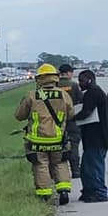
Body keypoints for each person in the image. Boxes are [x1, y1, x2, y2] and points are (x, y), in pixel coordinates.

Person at [15, 64, 73, 203]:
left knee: (40, 165)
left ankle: (44, 194)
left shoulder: (32, 96)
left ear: (39, 79)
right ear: (55, 77)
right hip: (58, 139)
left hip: (37, 141)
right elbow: (71, 114)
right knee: (60, 163)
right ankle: (63, 190)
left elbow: (19, 116)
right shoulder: (63, 95)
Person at [75, 69, 108, 202]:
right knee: (87, 167)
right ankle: (89, 191)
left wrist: (72, 118)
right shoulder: (94, 92)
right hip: (92, 137)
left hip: (97, 137)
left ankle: (99, 192)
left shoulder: (93, 92)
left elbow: (86, 112)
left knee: (94, 166)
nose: (79, 84)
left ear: (89, 79)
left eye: (81, 80)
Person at [58, 64, 83, 180]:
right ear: (68, 73)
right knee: (73, 145)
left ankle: (59, 172)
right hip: (72, 120)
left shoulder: (54, 85)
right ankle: (75, 170)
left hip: (56, 121)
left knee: (57, 147)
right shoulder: (74, 85)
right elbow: (81, 102)